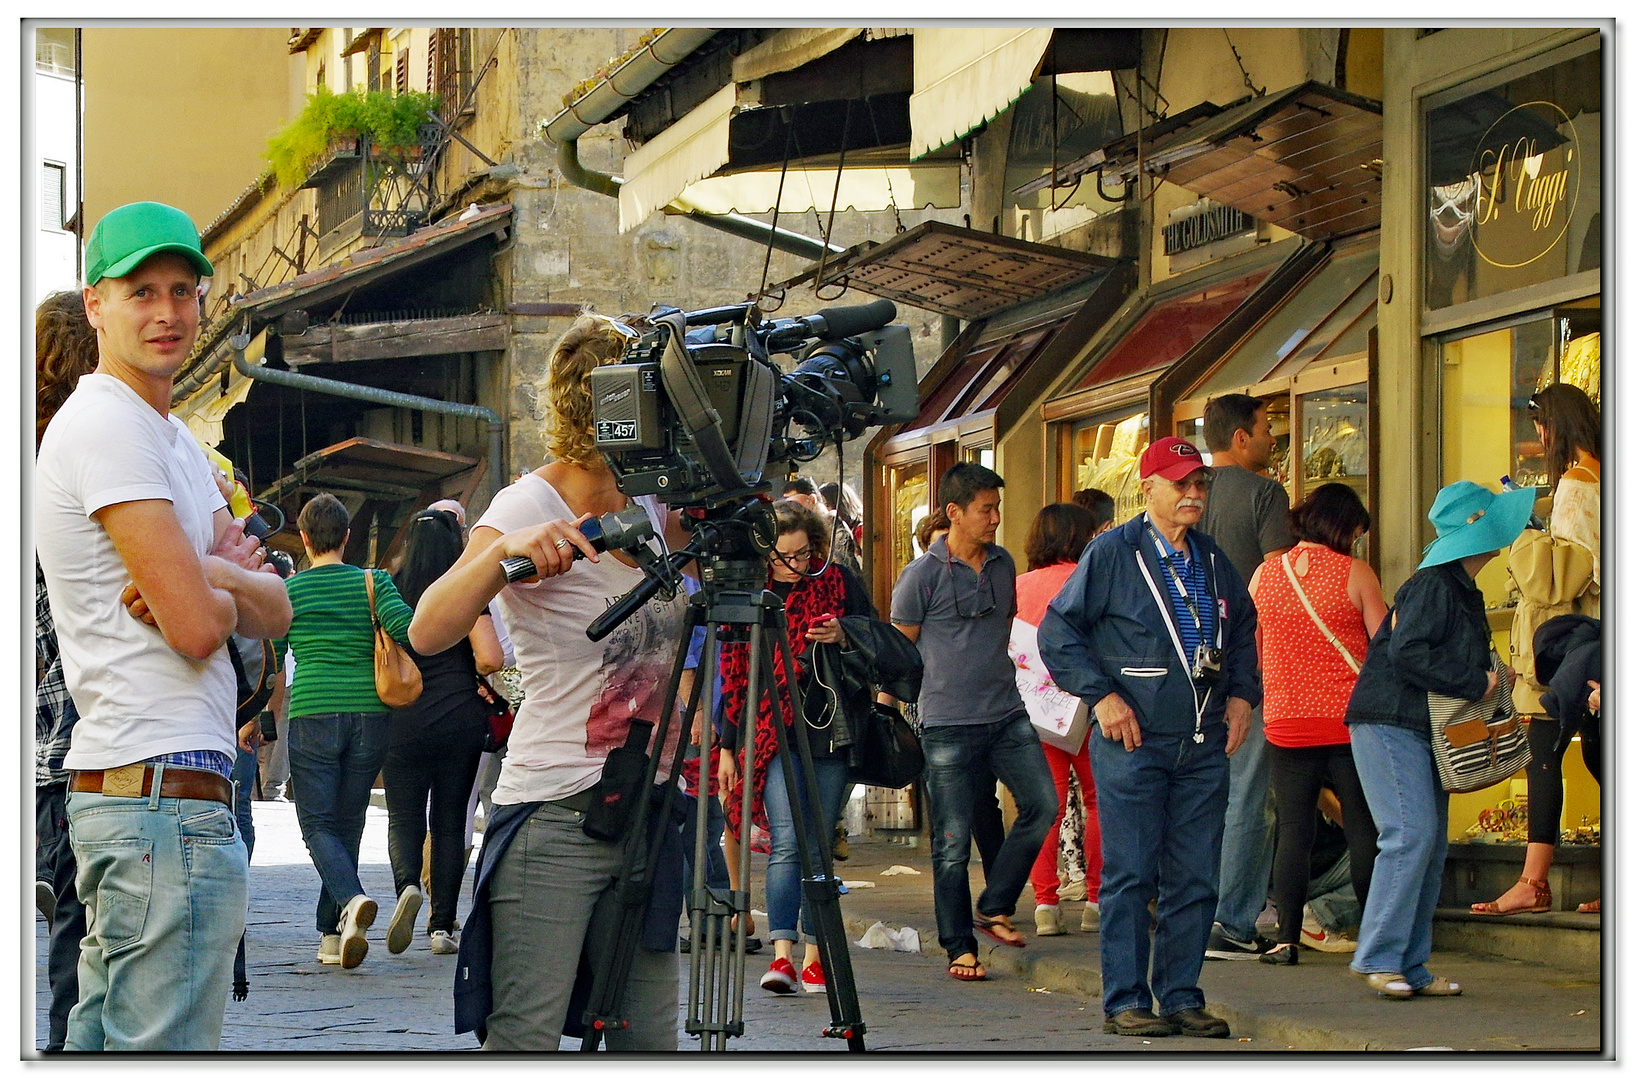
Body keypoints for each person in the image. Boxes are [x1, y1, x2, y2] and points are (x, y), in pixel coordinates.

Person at [35, 201, 291, 1049]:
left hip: (152, 793)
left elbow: (273, 603)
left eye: (183, 290)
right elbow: (191, 628)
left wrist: (209, 574)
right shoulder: (110, 426)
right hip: (159, 791)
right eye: (141, 290)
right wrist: (219, 591)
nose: (167, 311)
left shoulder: (172, 436)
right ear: (95, 302)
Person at [412, 313, 691, 1050]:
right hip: (557, 813)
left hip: (650, 809)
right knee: (526, 1040)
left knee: (650, 1043)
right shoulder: (527, 504)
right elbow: (429, 626)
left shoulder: (657, 506)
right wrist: (501, 549)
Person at [1039, 436, 1258, 1038]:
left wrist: (1242, 697)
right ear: (1149, 487)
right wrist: (1102, 696)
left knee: (1195, 874)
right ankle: (1126, 1000)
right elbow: (1058, 632)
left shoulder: (1213, 559)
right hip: (1133, 739)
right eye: (1182, 483)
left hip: (1202, 738)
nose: (1193, 493)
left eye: (1200, 484)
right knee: (1131, 872)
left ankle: (1182, 994)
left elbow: (1243, 632)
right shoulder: (1113, 552)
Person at [1345, 479, 1533, 999]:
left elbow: (1417, 650)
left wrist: (1489, 675)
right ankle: (1380, 958)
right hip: (1391, 722)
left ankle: (1410, 965)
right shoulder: (1437, 586)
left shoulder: (1448, 584)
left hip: (1408, 724)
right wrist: (1479, 682)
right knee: (1411, 836)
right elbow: (1409, 653)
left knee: (1424, 844)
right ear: (1480, 531)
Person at [890, 462, 1057, 983]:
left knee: (1043, 804)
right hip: (946, 724)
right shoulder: (920, 576)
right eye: (985, 509)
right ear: (954, 512)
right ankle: (959, 946)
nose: (995, 518)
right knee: (952, 844)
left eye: (996, 507)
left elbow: (1006, 630)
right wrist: (892, 712)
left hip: (1007, 713)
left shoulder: (1005, 564)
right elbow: (900, 651)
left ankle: (996, 901)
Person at [715, 499, 874, 995]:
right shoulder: (750, 592)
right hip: (771, 732)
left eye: (802, 555)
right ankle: (782, 955)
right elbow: (733, 673)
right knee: (787, 839)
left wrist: (842, 631)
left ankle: (815, 954)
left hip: (829, 726)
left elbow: (875, 637)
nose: (792, 566)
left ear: (816, 546)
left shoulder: (839, 581)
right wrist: (725, 745)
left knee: (818, 843)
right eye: (782, 557)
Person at [1473, 383, 1601, 917]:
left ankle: (1532, 882)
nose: (1538, 437)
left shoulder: (1575, 482)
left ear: (1555, 427)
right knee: (1597, 752)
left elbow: (1565, 576)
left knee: (1544, 746)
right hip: (1599, 637)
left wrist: (1529, 542)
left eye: (1540, 425)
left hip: (1576, 639)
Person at [1246, 483, 1386, 964]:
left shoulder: (1264, 575)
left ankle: (1286, 940)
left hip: (1286, 720)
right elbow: (1384, 644)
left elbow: (1253, 646)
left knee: (1294, 829)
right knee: (1363, 829)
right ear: (1343, 527)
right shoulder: (1356, 573)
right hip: (1349, 722)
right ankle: (1374, 939)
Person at [276, 492, 415, 970]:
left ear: (305, 538)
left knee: (316, 825)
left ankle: (353, 901)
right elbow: (408, 629)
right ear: (347, 536)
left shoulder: (290, 591)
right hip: (370, 713)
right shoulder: (373, 582)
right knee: (347, 821)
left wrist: (252, 717)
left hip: (313, 711)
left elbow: (270, 659)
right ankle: (332, 935)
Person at [382, 508, 505, 956]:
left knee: (404, 815)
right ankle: (441, 927)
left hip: (402, 717)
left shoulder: (390, 591)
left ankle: (407, 887)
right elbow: (490, 656)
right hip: (459, 718)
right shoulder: (463, 595)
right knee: (451, 822)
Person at [1197, 393, 1292, 960]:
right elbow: (1278, 581)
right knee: (1248, 795)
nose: (1272, 437)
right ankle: (1232, 920)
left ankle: (1190, 909)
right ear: (1240, 437)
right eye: (1266, 428)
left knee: (1197, 793)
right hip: (1246, 663)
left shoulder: (1185, 493)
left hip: (1186, 668)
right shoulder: (1265, 494)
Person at [34, 289, 100, 1051]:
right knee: (94, 944)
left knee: (73, 948)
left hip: (40, 738)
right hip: (99, 721)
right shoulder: (95, 450)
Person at [1015, 500, 1109, 937]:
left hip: (1039, 710)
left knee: (1044, 806)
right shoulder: (1094, 580)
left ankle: (1046, 904)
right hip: (1094, 704)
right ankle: (1097, 899)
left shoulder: (1017, 586)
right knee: (1100, 802)